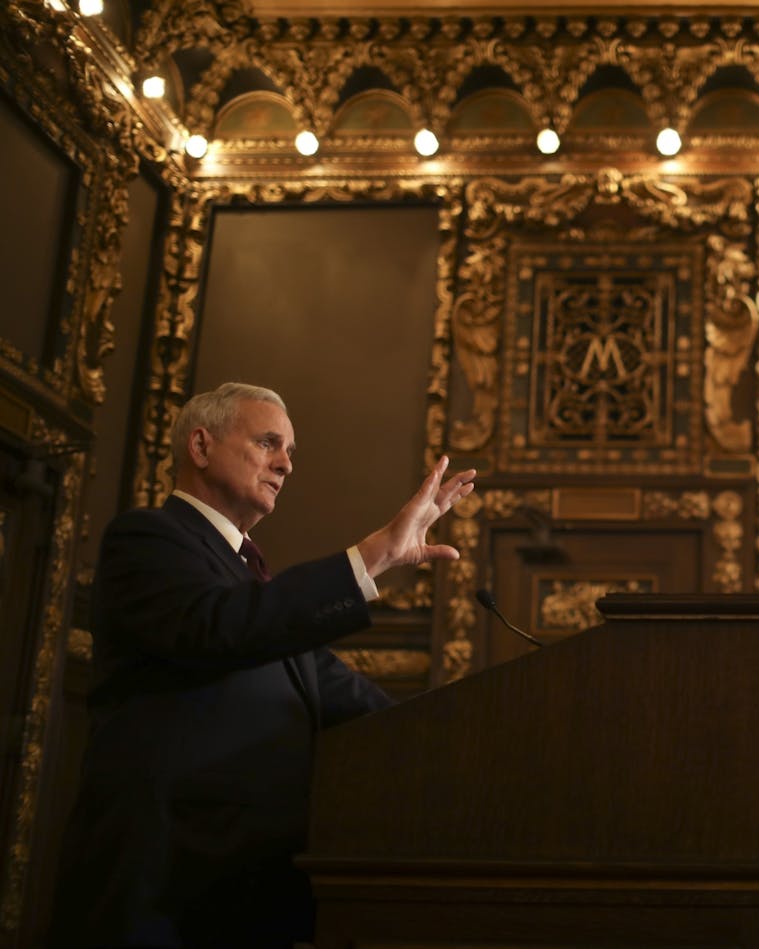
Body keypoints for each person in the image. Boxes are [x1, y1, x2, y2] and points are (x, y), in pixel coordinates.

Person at [49, 382, 477, 949]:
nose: (286, 464)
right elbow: (221, 626)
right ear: (200, 446)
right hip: (163, 888)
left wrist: (470, 738)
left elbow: (351, 698)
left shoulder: (255, 585)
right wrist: (376, 553)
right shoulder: (147, 539)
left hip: (251, 894)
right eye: (269, 443)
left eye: (291, 451)